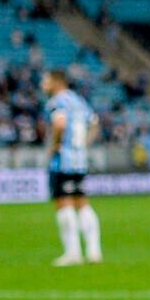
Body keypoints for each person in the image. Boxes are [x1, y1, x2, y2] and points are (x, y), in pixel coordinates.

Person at [42, 69, 101, 266]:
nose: (43, 84)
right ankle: (94, 251)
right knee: (82, 202)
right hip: (79, 160)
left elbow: (59, 124)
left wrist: (54, 146)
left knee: (63, 203)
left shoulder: (56, 101)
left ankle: (72, 253)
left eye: (46, 80)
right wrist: (83, 144)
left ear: (57, 82)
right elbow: (95, 123)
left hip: (63, 160)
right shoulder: (78, 100)